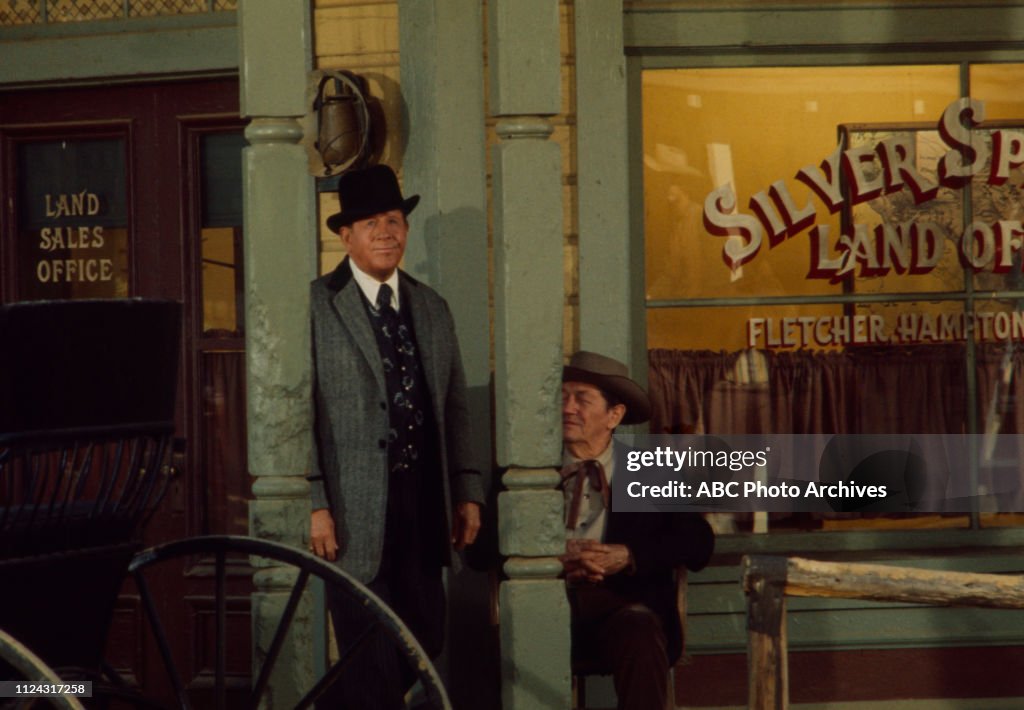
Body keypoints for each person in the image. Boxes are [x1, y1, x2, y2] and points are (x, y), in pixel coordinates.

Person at [307, 163, 484, 709]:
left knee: (426, 639)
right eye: (369, 223)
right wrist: (315, 503)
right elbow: (296, 414)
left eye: (393, 220)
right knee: (370, 652)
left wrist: (468, 489)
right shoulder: (314, 306)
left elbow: (455, 406)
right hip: (352, 513)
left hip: (425, 505)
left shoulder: (431, 307)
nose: (385, 232)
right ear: (345, 236)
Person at [559, 351, 714, 710]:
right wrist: (552, 558)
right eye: (562, 397)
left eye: (582, 399)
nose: (568, 408)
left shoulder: (648, 472)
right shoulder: (531, 471)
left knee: (640, 629)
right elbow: (480, 549)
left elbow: (699, 542)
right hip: (547, 606)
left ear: (614, 415)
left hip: (621, 610)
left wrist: (628, 556)